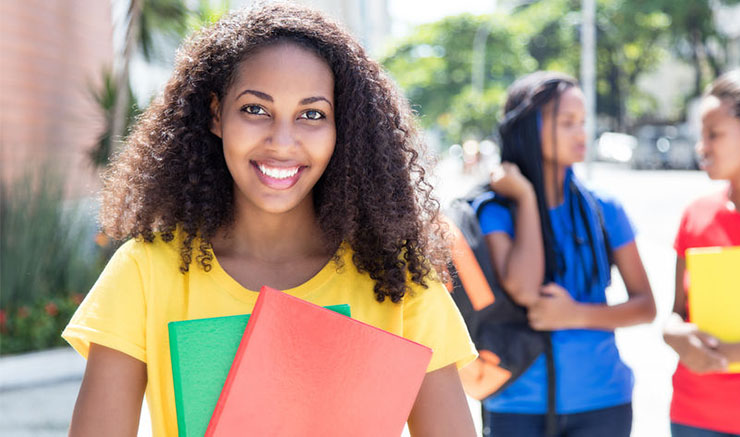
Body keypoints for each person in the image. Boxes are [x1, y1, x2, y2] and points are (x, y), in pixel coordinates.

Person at [62, 4, 477, 436]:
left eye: (312, 114)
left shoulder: (397, 281)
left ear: (344, 129)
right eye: (255, 110)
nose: (282, 142)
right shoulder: (145, 272)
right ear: (215, 114)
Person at [477, 71, 656, 437]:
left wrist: (575, 313)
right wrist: (526, 198)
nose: (581, 134)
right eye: (567, 123)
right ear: (529, 127)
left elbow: (645, 307)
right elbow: (525, 290)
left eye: (583, 122)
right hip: (516, 404)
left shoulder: (604, 208)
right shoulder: (496, 209)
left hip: (603, 403)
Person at [662, 70, 740, 437]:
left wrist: (717, 355)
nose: (702, 147)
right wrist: (673, 334)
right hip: (693, 418)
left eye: (714, 134)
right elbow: (677, 313)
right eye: (701, 135)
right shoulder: (695, 215)